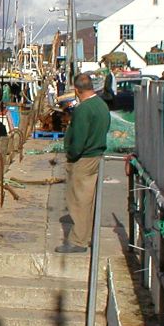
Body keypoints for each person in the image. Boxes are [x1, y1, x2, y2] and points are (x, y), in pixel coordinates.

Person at [56, 73, 111, 254]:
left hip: (83, 159)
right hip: (96, 155)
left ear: (78, 91)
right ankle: (86, 236)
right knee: (89, 198)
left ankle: (78, 240)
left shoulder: (83, 110)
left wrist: (71, 154)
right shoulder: (102, 106)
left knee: (78, 200)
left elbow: (78, 138)